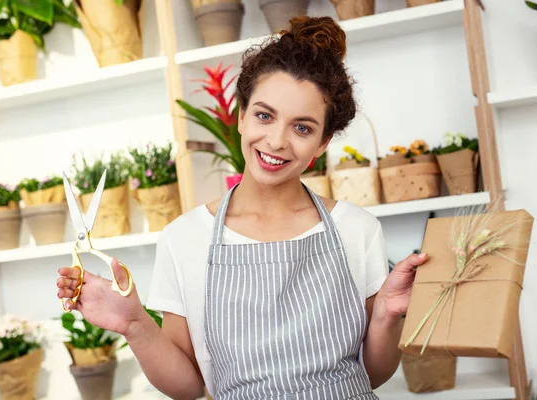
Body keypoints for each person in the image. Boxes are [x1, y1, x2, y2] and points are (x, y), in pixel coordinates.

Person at [56, 16, 428, 400]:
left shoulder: (357, 229)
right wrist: (134, 323)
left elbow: (375, 374)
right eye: (264, 116)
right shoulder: (184, 239)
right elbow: (187, 387)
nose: (277, 141)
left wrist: (386, 314)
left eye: (302, 128)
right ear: (241, 116)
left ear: (322, 143)